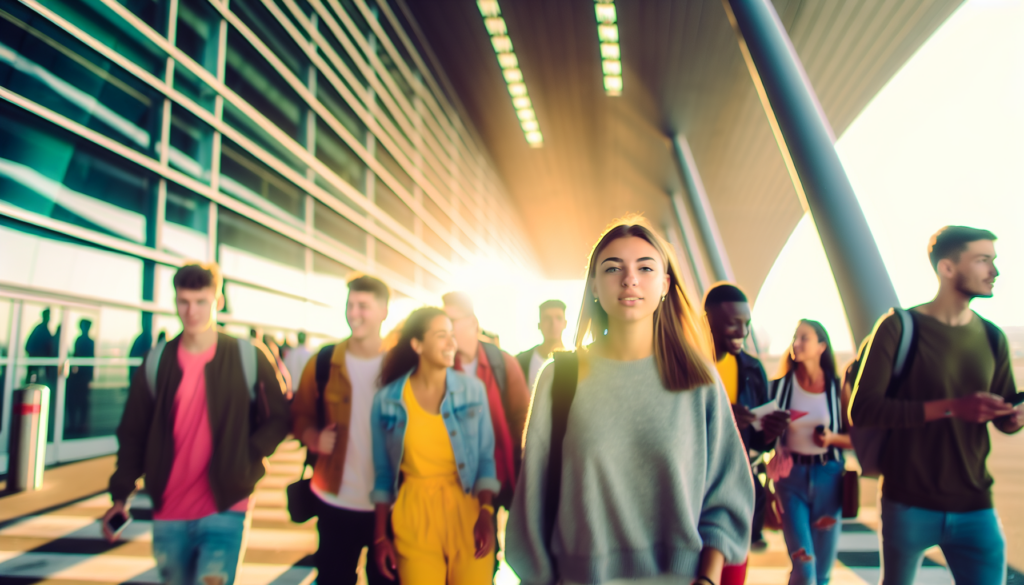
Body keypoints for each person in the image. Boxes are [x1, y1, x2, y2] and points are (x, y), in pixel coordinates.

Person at [506, 217, 754, 585]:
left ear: (666, 284)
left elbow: (728, 491)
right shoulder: (560, 380)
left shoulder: (698, 381)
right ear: (593, 286)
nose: (629, 279)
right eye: (612, 268)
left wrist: (708, 578)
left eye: (645, 267)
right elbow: (532, 499)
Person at [850, 226, 1023, 584]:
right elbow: (863, 409)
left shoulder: (993, 337)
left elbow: (1002, 416)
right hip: (908, 502)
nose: (994, 272)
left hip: (977, 506)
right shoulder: (898, 327)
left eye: (993, 261)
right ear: (947, 268)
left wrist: (1014, 417)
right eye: (983, 261)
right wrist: (952, 407)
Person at [103, 262, 289, 585]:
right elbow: (133, 433)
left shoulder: (247, 356)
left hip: (226, 506)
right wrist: (120, 497)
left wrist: (248, 456)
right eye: (184, 302)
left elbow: (280, 417)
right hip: (168, 512)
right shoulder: (157, 361)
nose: (192, 312)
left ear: (218, 302)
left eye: (201, 302)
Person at [371, 307, 499, 584]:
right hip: (413, 517)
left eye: (452, 335)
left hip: (468, 513)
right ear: (417, 344)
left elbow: (486, 459)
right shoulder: (387, 401)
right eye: (442, 335)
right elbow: (382, 474)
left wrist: (487, 513)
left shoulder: (472, 390)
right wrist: (380, 538)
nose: (452, 343)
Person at [291, 274, 391, 585]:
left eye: (363, 306)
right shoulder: (323, 362)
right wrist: (313, 437)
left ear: (384, 311)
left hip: (389, 508)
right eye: (350, 305)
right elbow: (298, 416)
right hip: (334, 501)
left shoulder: (401, 366)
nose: (354, 313)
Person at [766, 320, 851, 585]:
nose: (797, 343)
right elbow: (763, 434)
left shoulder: (837, 389)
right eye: (795, 337)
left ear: (821, 347)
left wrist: (832, 438)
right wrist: (773, 443)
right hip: (790, 480)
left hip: (829, 476)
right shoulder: (779, 387)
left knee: (822, 573)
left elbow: (858, 438)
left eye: (805, 338)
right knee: (804, 565)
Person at [441, 293, 530, 510]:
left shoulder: (503, 363)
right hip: (458, 480)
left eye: (452, 321)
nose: (445, 329)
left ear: (473, 322)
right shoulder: (441, 366)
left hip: (503, 473)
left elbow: (523, 418)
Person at [704, 283, 771, 558]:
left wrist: (770, 432)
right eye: (734, 323)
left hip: (736, 486)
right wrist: (723, 415)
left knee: (733, 568)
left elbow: (760, 444)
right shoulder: (686, 365)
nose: (743, 332)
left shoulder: (753, 369)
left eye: (747, 324)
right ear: (709, 320)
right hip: (696, 488)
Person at [515, 300, 568, 391]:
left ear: (565, 324)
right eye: (547, 318)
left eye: (558, 318)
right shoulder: (521, 361)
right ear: (539, 325)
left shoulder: (575, 361)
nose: (553, 323)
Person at [66, 319, 95, 437]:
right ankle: (76, 424)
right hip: (79, 375)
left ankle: (80, 424)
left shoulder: (86, 341)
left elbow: (90, 359)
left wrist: (89, 377)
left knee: (81, 401)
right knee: (77, 401)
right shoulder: (83, 340)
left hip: (82, 376)